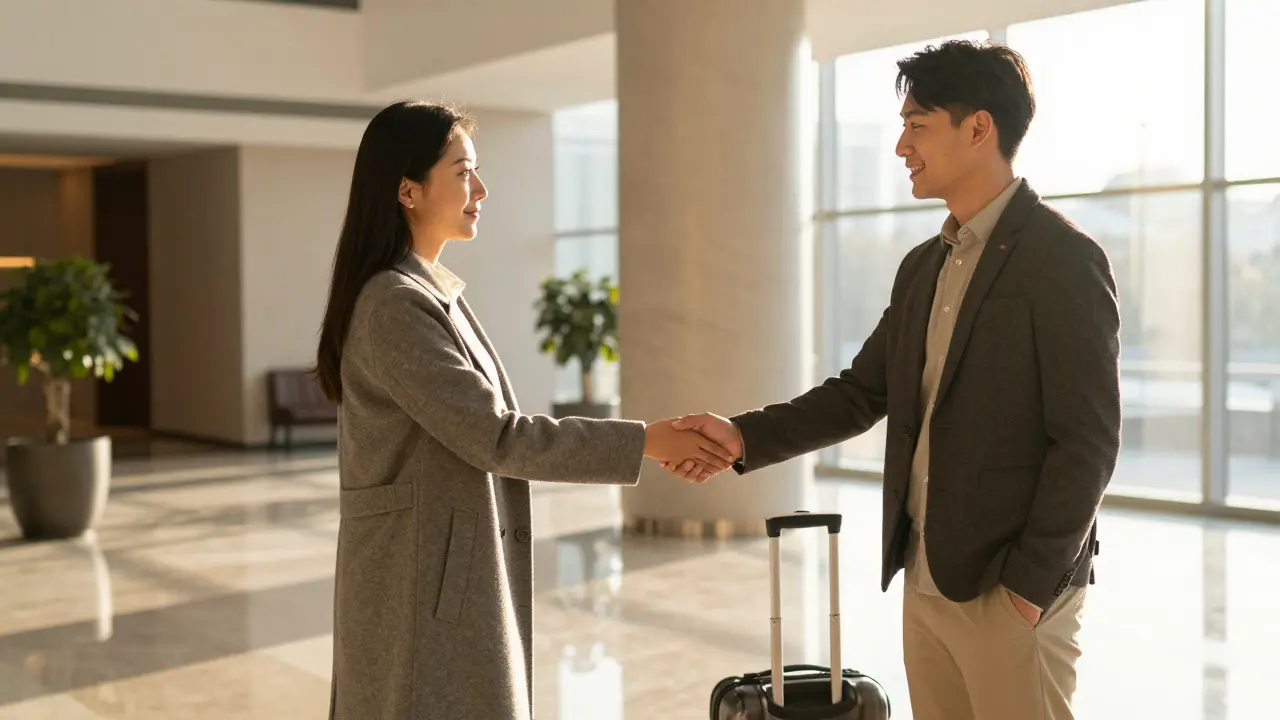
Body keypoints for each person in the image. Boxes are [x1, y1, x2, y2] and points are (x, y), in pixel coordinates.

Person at [666, 41, 1121, 720]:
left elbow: (1088, 441)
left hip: (1011, 592)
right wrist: (740, 437)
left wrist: (1028, 588)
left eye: (916, 126)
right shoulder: (923, 267)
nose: (902, 147)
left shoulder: (1064, 259)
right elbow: (861, 392)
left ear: (978, 128)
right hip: (927, 578)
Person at [314, 101, 734, 720]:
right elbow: (496, 437)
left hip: (434, 576)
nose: (480, 188)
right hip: (418, 587)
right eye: (462, 172)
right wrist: (644, 440)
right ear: (407, 188)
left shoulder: (430, 292)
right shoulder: (394, 304)